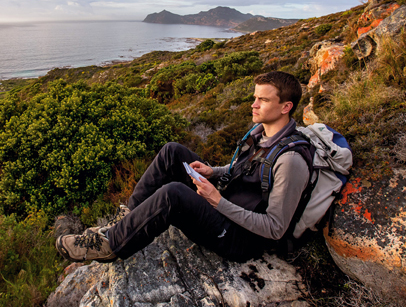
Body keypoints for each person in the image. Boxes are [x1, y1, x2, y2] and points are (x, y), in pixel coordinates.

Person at [55, 71, 311, 263]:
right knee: (172, 151)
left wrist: (217, 202)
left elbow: (275, 228)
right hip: (228, 205)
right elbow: (246, 171)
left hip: (240, 238)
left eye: (262, 100)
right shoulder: (260, 132)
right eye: (255, 97)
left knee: (174, 194)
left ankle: (111, 244)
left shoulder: (290, 161)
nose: (253, 104)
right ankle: (125, 220)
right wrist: (215, 172)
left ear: (285, 107)